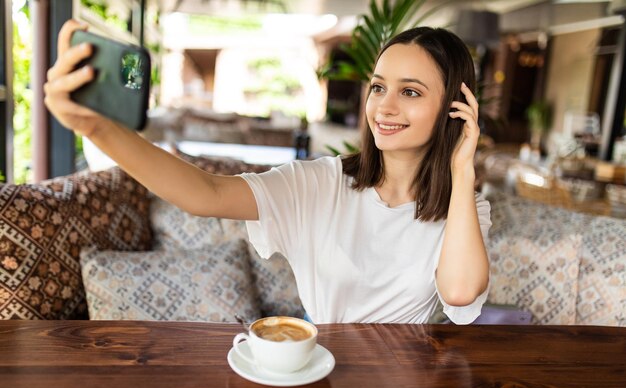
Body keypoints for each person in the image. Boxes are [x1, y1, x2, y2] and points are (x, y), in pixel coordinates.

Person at [45, 21, 491, 325]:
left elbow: (459, 292)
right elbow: (207, 194)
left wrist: (462, 172)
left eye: (410, 91)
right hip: (323, 373)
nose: (384, 106)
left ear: (455, 108)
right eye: (378, 87)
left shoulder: (464, 209)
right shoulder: (322, 183)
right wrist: (94, 126)